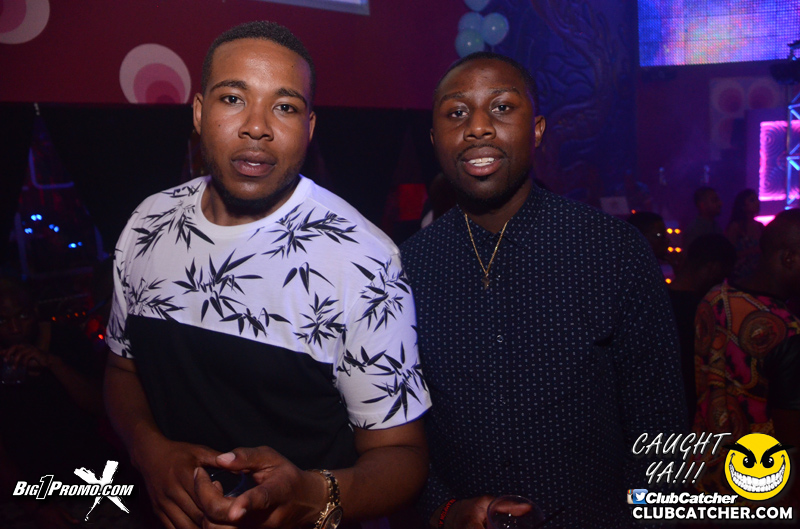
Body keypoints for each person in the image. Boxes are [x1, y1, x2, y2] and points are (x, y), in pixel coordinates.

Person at [104, 21, 430, 529]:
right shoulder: (148, 224)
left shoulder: (362, 259)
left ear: (310, 128)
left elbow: (403, 456)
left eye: (285, 107)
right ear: (198, 112)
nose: (257, 126)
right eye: (233, 98)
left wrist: (310, 496)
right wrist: (150, 452)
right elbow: (121, 371)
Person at [400, 52, 685, 529]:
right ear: (435, 139)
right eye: (456, 113)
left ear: (536, 130)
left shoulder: (611, 250)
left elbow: (659, 424)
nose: (478, 128)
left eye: (502, 108)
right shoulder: (406, 268)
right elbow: (396, 428)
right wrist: (444, 511)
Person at [692, 209, 800, 500]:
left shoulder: (714, 298)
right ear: (789, 258)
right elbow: (792, 439)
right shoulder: (785, 331)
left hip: (704, 474)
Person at [667, 234, 736, 424]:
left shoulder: (657, 302)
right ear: (713, 269)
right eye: (723, 276)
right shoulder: (708, 310)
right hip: (694, 411)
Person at [725, 188, 764, 282]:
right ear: (742, 205)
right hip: (739, 276)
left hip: (757, 276)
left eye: (757, 199)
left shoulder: (760, 226)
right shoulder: (736, 227)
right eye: (752, 200)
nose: (757, 203)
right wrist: (753, 251)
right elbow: (728, 254)